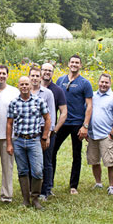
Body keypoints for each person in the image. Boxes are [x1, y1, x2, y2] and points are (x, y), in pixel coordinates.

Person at [6, 76, 51, 209]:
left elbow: (47, 119)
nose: (24, 86)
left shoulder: (39, 101)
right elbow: (9, 124)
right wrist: (9, 143)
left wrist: (44, 136)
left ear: (31, 85)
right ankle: (25, 199)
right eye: (22, 84)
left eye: (26, 84)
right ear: (18, 86)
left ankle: (35, 198)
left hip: (34, 140)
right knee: (22, 171)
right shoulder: (13, 103)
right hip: (19, 140)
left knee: (37, 171)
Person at [54, 55, 93, 195]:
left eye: (77, 63)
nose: (74, 64)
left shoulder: (85, 83)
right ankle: (49, 183)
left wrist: (85, 126)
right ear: (68, 64)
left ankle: (73, 186)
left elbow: (89, 106)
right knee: (52, 150)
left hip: (77, 124)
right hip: (62, 123)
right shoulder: (60, 80)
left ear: (80, 65)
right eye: (72, 62)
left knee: (76, 155)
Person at [87, 73, 113, 195]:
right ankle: (98, 183)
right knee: (94, 160)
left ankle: (111, 186)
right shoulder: (92, 96)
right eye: (102, 82)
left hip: (106, 135)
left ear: (110, 83)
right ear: (98, 82)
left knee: (110, 162)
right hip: (92, 134)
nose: (104, 84)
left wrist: (112, 134)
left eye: (106, 82)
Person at [0, 65, 19, 203]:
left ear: (7, 75)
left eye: (4, 73)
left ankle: (6, 195)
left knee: (8, 167)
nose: (1, 76)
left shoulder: (14, 92)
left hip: (9, 136)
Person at [40, 63, 67, 200]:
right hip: (34, 130)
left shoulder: (57, 90)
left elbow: (63, 112)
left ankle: (47, 188)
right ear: (40, 71)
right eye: (45, 70)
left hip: (49, 131)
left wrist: (54, 130)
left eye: (50, 71)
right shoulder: (33, 87)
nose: (47, 72)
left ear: (53, 73)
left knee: (48, 160)